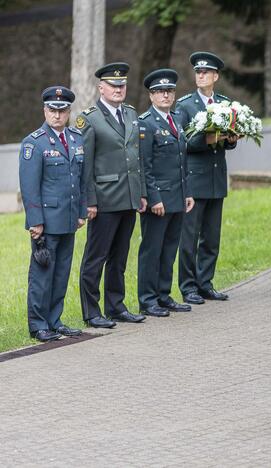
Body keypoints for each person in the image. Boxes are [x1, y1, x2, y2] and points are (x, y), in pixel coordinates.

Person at [77, 62, 147, 329]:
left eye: (122, 85)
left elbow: (135, 159)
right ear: (101, 87)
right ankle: (92, 312)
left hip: (128, 197)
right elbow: (86, 164)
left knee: (119, 257)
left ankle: (116, 306)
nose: (118, 89)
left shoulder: (130, 114)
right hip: (104, 200)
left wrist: (140, 193)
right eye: (113, 85)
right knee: (96, 257)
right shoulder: (90, 118)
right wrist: (90, 200)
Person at [19, 86, 86, 342]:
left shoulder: (76, 138)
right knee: (42, 275)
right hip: (45, 223)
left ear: (69, 112)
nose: (57, 115)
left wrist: (81, 212)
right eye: (52, 110)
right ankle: (38, 325)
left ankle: (54, 320)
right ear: (44, 110)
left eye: (62, 110)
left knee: (61, 275)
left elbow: (81, 180)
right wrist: (35, 222)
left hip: (68, 220)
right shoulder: (33, 143)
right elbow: (29, 187)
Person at [176, 52, 238, 305]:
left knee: (211, 238)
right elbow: (182, 143)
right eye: (198, 72)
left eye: (206, 72)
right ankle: (188, 287)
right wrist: (209, 139)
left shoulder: (224, 102)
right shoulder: (185, 105)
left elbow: (227, 140)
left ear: (216, 76)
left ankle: (205, 283)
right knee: (189, 238)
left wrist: (231, 139)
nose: (201, 75)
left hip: (216, 179)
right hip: (195, 179)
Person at [136, 69, 195, 318]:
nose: (166, 95)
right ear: (151, 96)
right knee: (152, 250)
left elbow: (182, 161)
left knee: (170, 248)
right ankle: (148, 300)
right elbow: (144, 165)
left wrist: (187, 192)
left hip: (177, 197)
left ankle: (163, 294)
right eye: (160, 91)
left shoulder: (176, 120)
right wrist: (154, 198)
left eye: (169, 91)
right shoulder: (146, 123)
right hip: (158, 199)